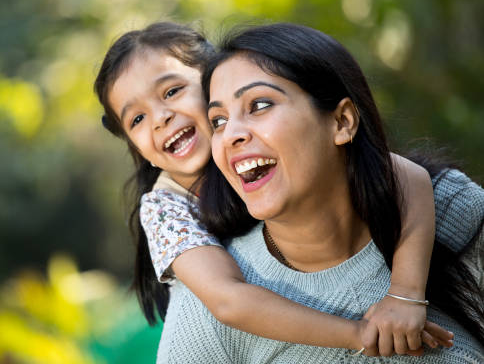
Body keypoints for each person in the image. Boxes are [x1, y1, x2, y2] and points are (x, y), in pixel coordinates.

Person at [94, 22, 456, 355]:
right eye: (137, 118)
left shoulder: (257, 142)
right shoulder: (165, 207)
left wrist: (406, 294)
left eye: (172, 91)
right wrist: (358, 334)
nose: (161, 118)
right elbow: (228, 301)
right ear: (138, 150)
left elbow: (403, 174)